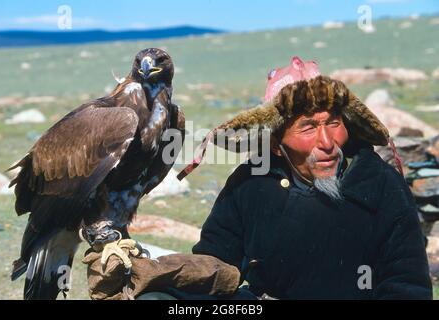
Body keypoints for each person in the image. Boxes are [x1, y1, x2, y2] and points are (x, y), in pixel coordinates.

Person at [86, 57, 432, 300]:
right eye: (309, 127)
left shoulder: (379, 185)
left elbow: (408, 285)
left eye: (333, 123)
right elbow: (216, 263)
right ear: (276, 143)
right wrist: (153, 274)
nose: (327, 143)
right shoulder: (251, 184)